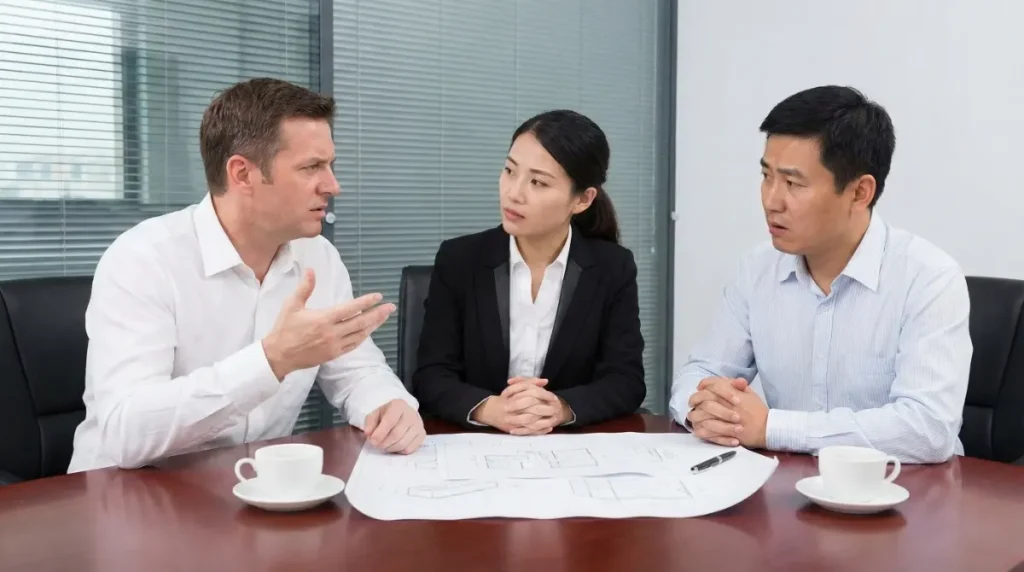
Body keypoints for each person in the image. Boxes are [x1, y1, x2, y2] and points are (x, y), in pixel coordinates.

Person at [68, 78, 426, 472]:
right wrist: (272, 359)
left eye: (330, 165)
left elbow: (356, 371)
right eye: (311, 167)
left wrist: (390, 405)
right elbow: (127, 432)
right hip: (122, 498)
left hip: (249, 490)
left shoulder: (318, 257)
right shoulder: (142, 260)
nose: (333, 186)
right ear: (242, 174)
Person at [669, 85, 972, 464]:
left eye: (793, 183)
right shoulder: (757, 269)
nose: (770, 200)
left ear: (860, 192)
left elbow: (927, 429)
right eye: (766, 176)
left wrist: (771, 428)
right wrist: (703, 409)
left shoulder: (928, 279)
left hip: (908, 498)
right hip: (789, 494)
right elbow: (701, 371)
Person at [412, 109, 646, 434]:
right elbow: (431, 376)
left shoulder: (612, 268)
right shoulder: (460, 260)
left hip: (568, 450)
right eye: (510, 171)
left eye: (537, 182)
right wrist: (491, 409)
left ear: (582, 199)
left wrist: (562, 408)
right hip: (475, 447)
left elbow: (626, 381)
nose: (514, 192)